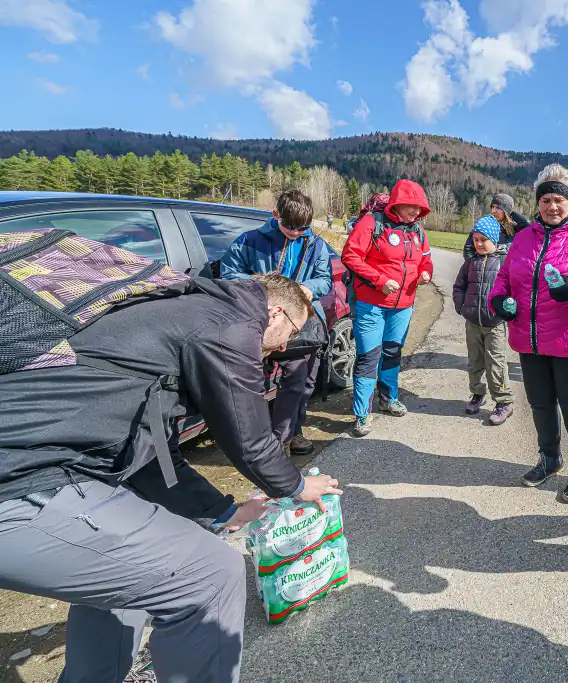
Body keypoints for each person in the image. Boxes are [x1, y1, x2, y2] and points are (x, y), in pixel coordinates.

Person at [0, 272, 343, 683]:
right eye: (290, 332)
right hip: (24, 481)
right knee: (212, 577)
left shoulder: (186, 310)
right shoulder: (230, 325)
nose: (286, 346)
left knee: (128, 582)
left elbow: (151, 459)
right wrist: (298, 486)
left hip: (50, 467)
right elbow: (249, 438)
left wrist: (224, 511)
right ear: (274, 312)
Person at [489, 164, 568, 503]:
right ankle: (549, 458)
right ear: (537, 202)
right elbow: (504, 279)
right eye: (545, 199)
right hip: (530, 339)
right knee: (540, 404)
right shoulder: (523, 237)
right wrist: (499, 300)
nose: (552, 206)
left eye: (559, 199)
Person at [220, 189, 332, 457]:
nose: (295, 233)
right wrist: (263, 289)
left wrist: (308, 287)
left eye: (302, 228)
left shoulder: (315, 244)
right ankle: (258, 440)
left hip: (298, 324)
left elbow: (325, 279)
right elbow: (228, 274)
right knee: (253, 383)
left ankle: (287, 435)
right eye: (289, 227)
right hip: (258, 323)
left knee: (299, 379)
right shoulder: (250, 241)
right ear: (275, 216)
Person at [341, 179, 433, 437]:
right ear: (397, 204)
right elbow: (350, 255)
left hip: (403, 305)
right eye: (411, 207)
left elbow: (426, 261)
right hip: (372, 303)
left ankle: (388, 398)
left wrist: (426, 274)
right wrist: (379, 280)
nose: (416, 212)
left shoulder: (418, 231)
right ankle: (362, 413)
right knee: (369, 356)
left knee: (392, 352)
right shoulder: (372, 223)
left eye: (420, 208)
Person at [453, 215, 515, 424]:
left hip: (495, 324)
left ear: (494, 240)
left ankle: (504, 401)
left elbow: (514, 293)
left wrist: (508, 311)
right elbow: (459, 287)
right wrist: (461, 307)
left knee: (496, 363)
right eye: (476, 239)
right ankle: (478, 394)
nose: (478, 243)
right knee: (475, 362)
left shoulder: (505, 263)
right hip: (473, 323)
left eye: (483, 239)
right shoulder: (470, 263)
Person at [462, 193, 531, 260]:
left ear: (506, 210)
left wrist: (511, 213)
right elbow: (468, 249)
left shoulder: (515, 228)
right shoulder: (484, 225)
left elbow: (529, 228)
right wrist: (475, 266)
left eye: (498, 207)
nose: (493, 210)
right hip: (485, 269)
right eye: (492, 207)